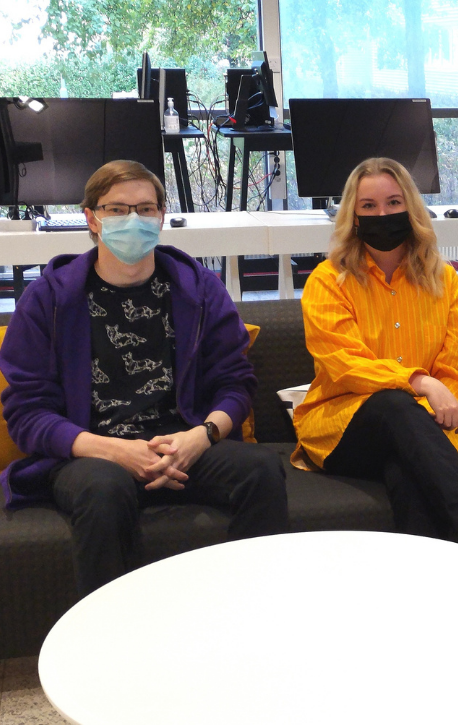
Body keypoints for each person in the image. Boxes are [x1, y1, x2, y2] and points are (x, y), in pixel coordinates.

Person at [0, 160, 289, 596]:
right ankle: (109, 632)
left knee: (262, 470)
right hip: (92, 454)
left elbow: (235, 383)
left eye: (145, 208)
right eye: (117, 209)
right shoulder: (49, 299)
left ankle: (255, 608)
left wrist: (202, 436)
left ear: (161, 215)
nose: (133, 219)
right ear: (91, 218)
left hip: (184, 444)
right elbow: (26, 412)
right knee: (103, 489)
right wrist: (113, 450)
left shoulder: (199, 289)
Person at [292, 157, 458, 574]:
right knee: (393, 404)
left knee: (407, 468)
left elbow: (456, 368)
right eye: (368, 206)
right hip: (343, 428)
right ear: (352, 215)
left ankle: (422, 586)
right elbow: (346, 366)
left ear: (411, 207)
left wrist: (428, 409)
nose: (383, 214)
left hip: (420, 430)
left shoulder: (444, 279)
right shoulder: (327, 280)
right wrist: (421, 383)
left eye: (393, 202)